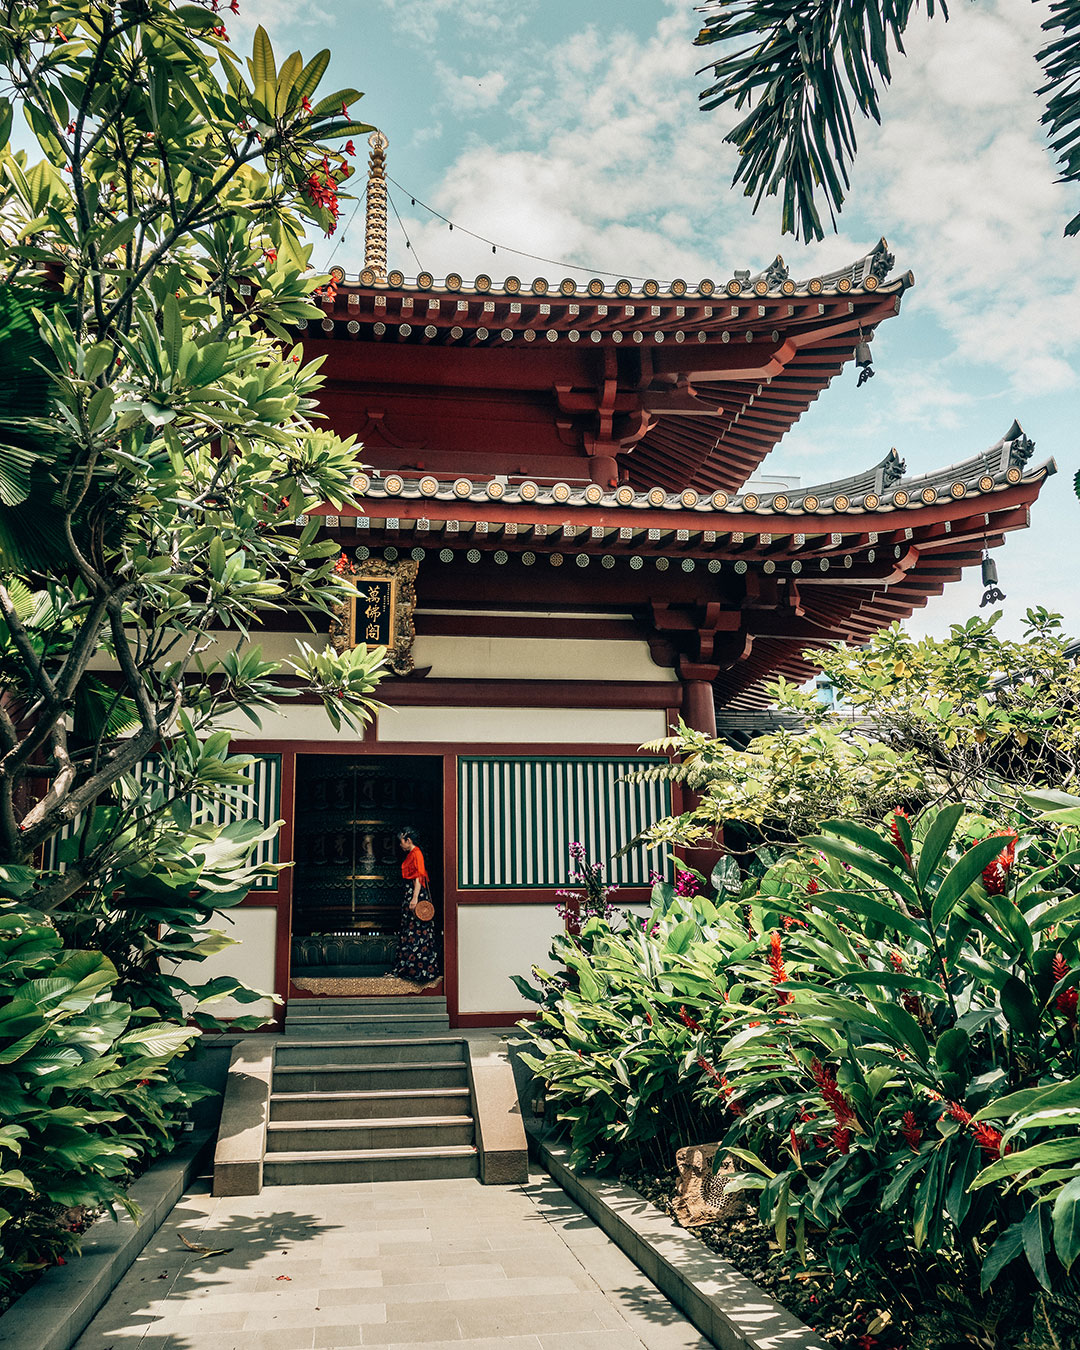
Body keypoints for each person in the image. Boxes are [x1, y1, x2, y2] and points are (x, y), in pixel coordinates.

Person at [390, 826, 441, 983]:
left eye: (401, 842)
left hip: (415, 894)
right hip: (412, 893)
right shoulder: (413, 853)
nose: (400, 845)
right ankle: (410, 968)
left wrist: (414, 898)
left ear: (408, 840)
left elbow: (418, 877)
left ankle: (418, 970)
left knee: (417, 931)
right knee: (412, 931)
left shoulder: (416, 853)